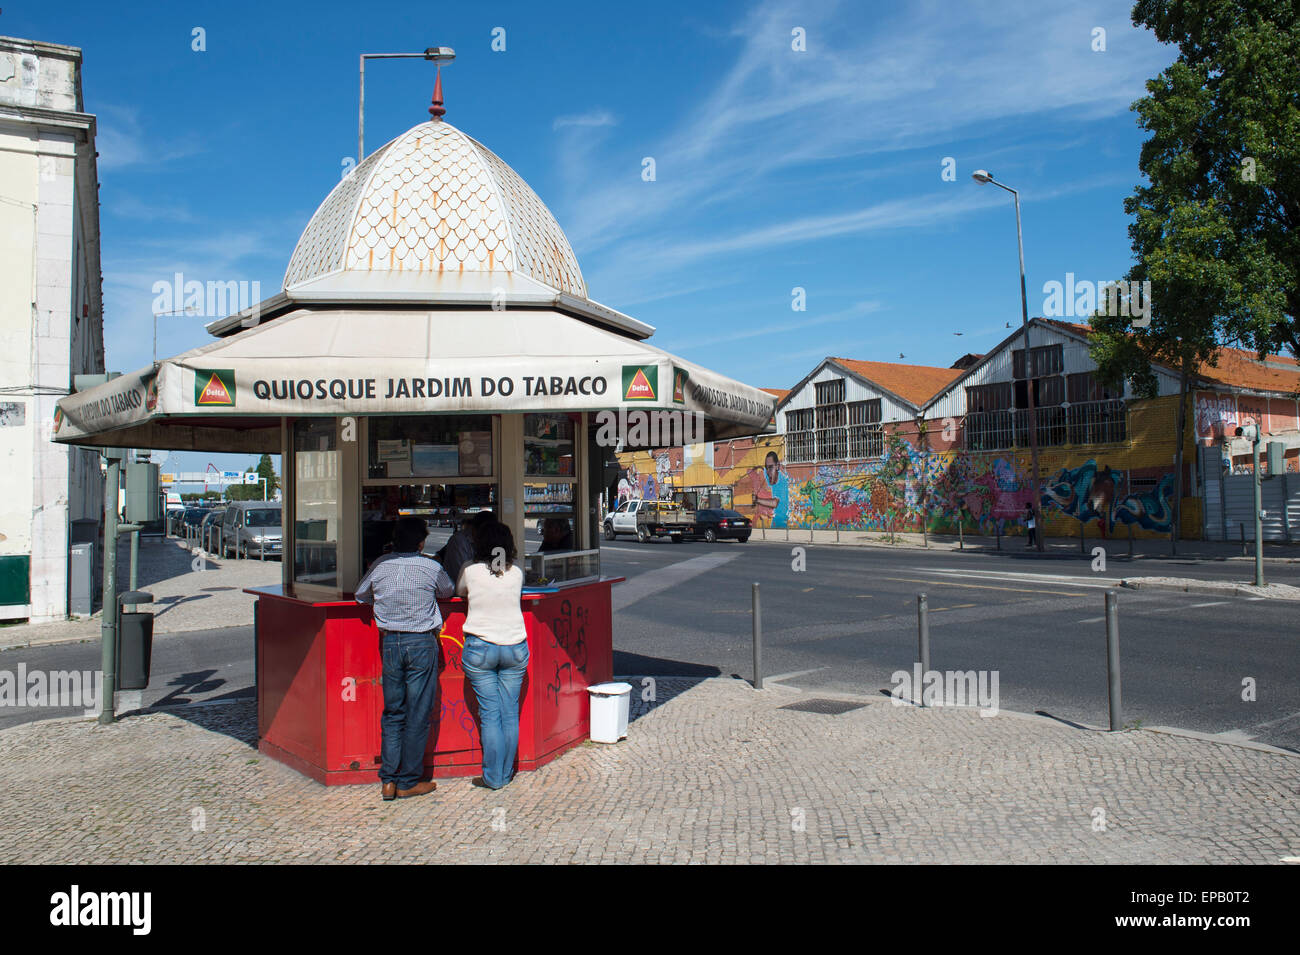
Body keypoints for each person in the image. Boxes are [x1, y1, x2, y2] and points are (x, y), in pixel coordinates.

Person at [354, 516, 454, 801]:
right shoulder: (431, 566)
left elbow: (361, 595)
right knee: (418, 714)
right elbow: (447, 591)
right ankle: (409, 780)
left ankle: (388, 780)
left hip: (391, 642)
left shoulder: (380, 566)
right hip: (421, 642)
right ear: (421, 542)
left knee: (393, 712)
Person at [456, 520, 529, 790]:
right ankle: (506, 772)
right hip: (515, 647)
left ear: (480, 543)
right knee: (510, 714)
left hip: (481, 648)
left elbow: (458, 592)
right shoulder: (517, 573)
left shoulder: (470, 570)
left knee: (490, 715)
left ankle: (493, 777)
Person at [436, 510, 493, 585]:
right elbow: (464, 575)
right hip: (458, 588)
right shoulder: (459, 541)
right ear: (475, 528)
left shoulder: (489, 540)